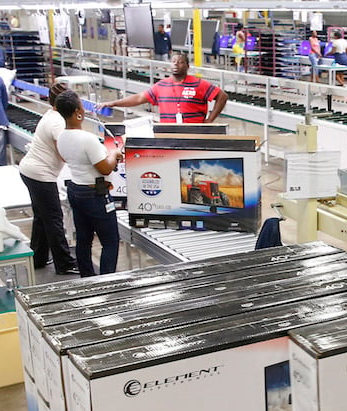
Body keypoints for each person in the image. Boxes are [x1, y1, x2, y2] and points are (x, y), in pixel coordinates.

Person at [55, 90, 122, 277]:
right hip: (95, 194)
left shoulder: (61, 136)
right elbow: (105, 169)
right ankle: (107, 281)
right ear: (78, 111)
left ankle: (88, 279)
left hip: (75, 190)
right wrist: (114, 155)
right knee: (110, 241)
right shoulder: (87, 139)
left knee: (84, 239)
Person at [18, 83, 78, 276]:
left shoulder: (52, 116)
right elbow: (65, 152)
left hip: (31, 172)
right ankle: (65, 263)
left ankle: (38, 256)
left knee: (42, 217)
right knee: (53, 218)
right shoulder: (57, 122)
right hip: (40, 175)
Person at [100, 53, 228, 123]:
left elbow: (222, 96)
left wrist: (210, 119)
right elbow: (138, 98)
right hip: (168, 133)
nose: (176, 64)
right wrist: (113, 103)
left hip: (194, 134)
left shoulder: (199, 84)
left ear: (187, 66)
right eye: (173, 61)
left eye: (180, 62)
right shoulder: (161, 85)